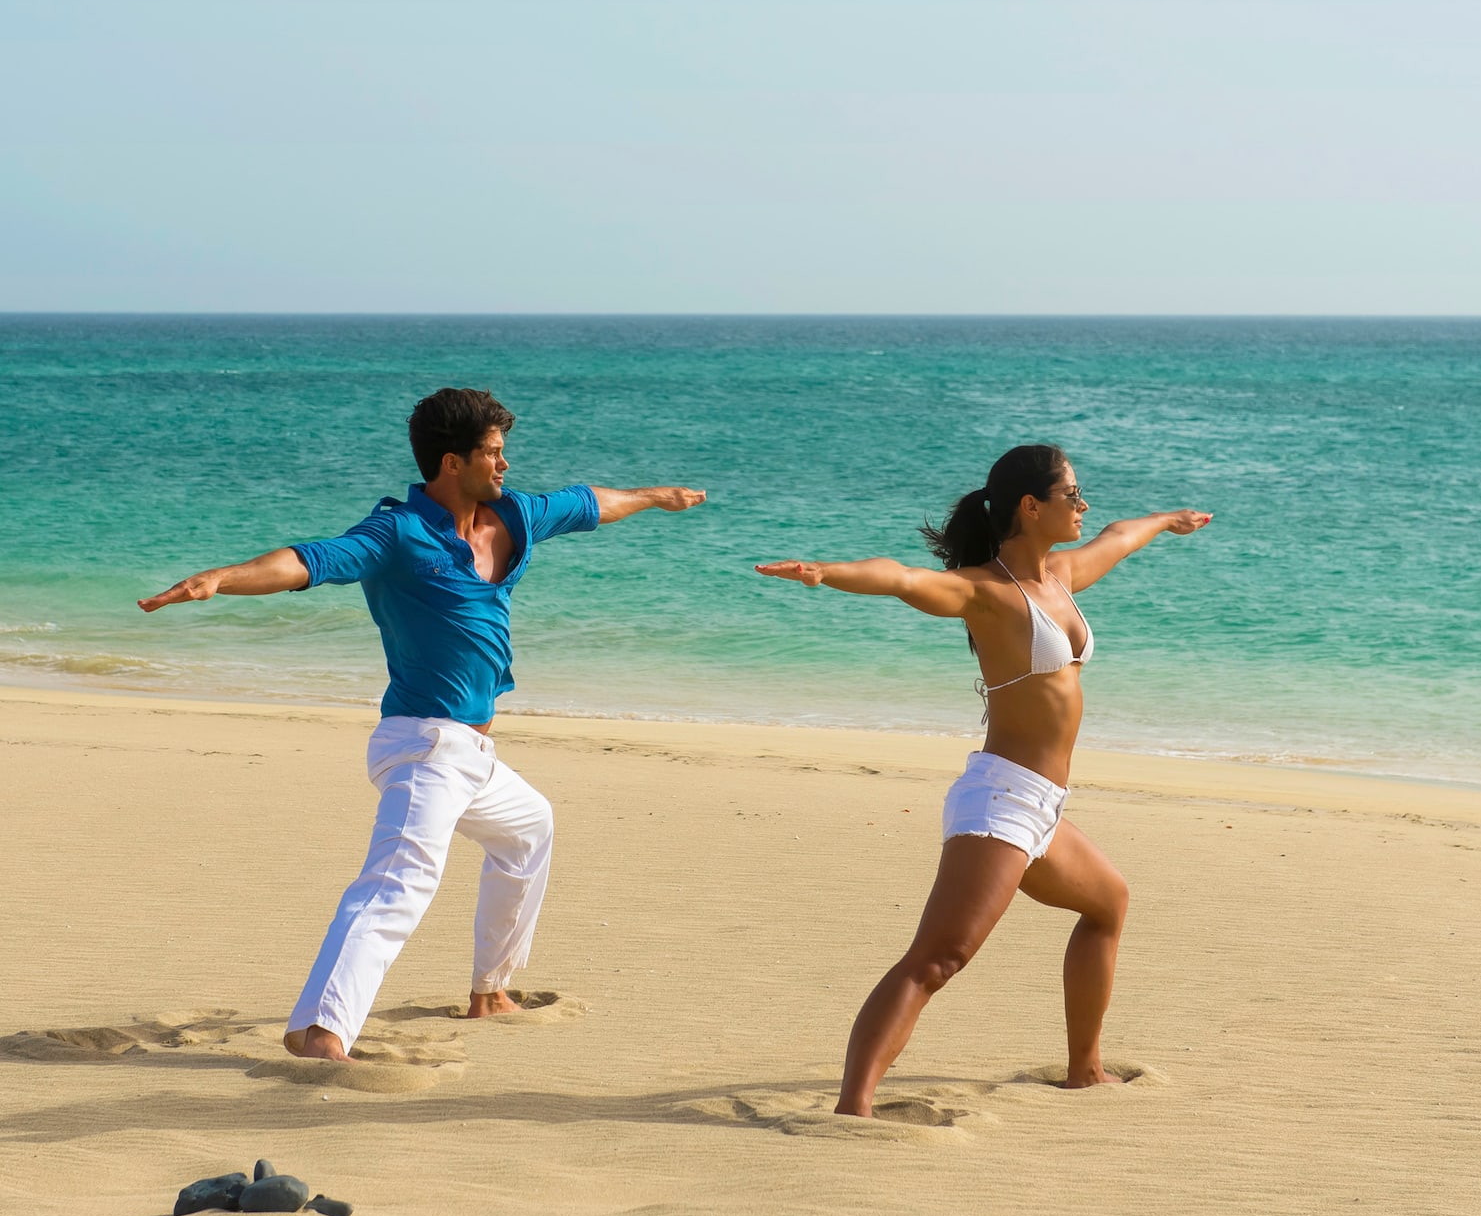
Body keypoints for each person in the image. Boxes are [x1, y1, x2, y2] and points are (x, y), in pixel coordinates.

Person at [139, 386, 705, 1063]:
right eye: (492, 453)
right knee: (398, 883)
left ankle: (491, 991)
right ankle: (320, 1032)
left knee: (528, 829)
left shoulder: (515, 515)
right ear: (451, 463)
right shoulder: (398, 533)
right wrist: (222, 578)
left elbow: (589, 502)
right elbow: (311, 560)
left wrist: (656, 496)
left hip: (473, 754)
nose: (504, 464)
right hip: (424, 745)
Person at [756, 445, 1210, 1115]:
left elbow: (1119, 537)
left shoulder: (1062, 576)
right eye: (1072, 495)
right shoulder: (986, 593)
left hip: (1043, 805)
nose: (1084, 506)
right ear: (1031, 506)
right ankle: (853, 1108)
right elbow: (902, 578)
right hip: (1001, 799)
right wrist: (827, 573)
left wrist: (1168, 520)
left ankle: (1084, 1069)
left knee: (1107, 903)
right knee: (938, 959)